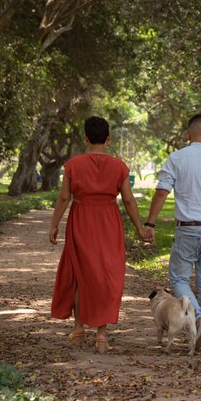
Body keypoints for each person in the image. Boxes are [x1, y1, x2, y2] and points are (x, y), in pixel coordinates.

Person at [49, 116, 151, 353]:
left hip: (81, 219)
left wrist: (54, 224)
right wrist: (139, 227)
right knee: (107, 275)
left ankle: (78, 329)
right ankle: (102, 336)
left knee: (80, 274)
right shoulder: (119, 166)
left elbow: (64, 197)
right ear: (108, 138)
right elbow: (127, 199)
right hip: (108, 222)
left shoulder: (73, 165)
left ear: (86, 138)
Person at [144, 114, 201, 350]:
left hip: (189, 230)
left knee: (178, 278)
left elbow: (161, 192)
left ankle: (198, 318)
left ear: (188, 135)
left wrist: (150, 224)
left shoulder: (177, 158)